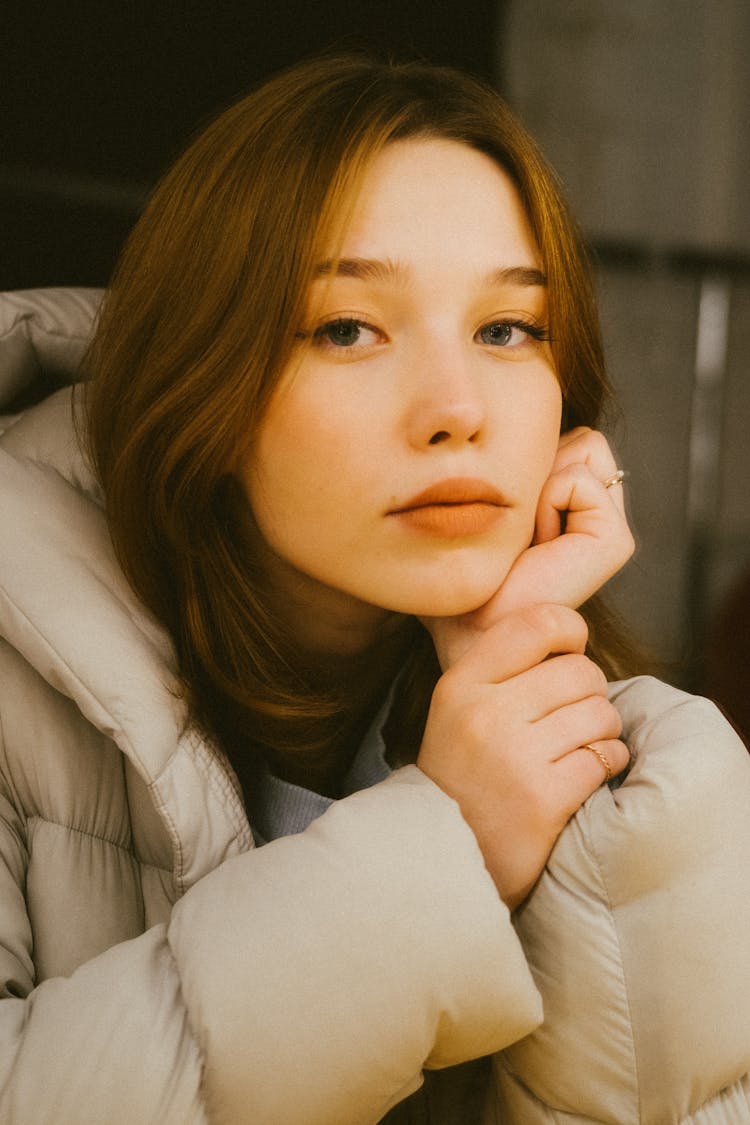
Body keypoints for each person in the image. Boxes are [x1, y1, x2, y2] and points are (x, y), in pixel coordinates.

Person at [0, 55, 749, 1125]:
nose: (457, 409)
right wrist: (450, 844)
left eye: (507, 330)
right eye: (349, 328)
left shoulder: (653, 767)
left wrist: (532, 674)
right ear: (199, 375)